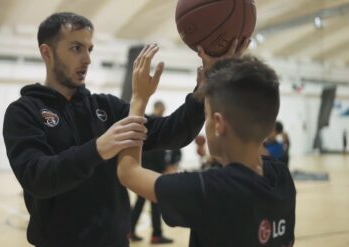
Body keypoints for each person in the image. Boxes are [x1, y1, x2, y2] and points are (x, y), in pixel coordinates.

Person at [2, 12, 205, 246]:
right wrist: (98, 149)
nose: (87, 59)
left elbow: (169, 132)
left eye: (90, 49)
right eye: (76, 48)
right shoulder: (24, 112)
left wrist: (200, 97)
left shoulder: (107, 107)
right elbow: (37, 178)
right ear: (46, 53)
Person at [117, 41, 296, 247]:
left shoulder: (208, 189)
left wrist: (139, 99)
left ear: (219, 124)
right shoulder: (282, 177)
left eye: (207, 115)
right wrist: (225, 74)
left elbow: (128, 172)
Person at [129, 101, 173, 244]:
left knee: (141, 203)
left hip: (144, 169)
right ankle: (156, 235)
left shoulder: (145, 122)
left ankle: (130, 231)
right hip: (153, 171)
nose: (163, 111)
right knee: (155, 204)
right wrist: (164, 167)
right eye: (163, 108)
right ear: (158, 108)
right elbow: (159, 150)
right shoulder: (157, 124)